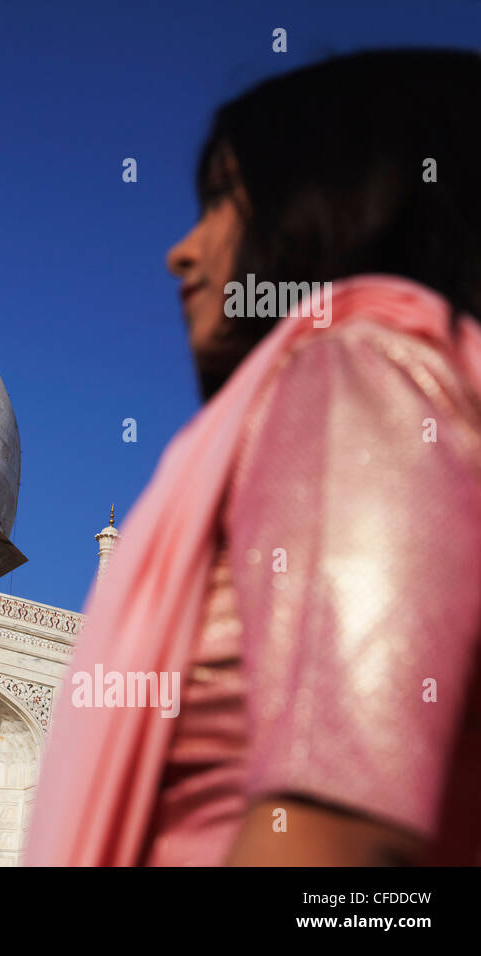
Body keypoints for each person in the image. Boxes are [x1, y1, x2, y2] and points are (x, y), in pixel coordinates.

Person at [24, 49, 481, 866]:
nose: (183, 250)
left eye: (221, 202)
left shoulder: (354, 372)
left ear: (333, 203)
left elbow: (334, 839)